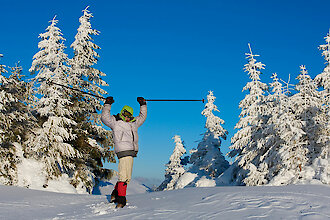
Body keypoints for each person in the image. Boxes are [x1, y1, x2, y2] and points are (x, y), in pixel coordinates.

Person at [101, 96, 147, 208]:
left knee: (127, 176)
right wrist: (107, 104)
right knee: (124, 176)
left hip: (131, 151)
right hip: (122, 150)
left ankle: (115, 194)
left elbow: (142, 117)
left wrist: (143, 105)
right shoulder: (115, 121)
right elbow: (104, 117)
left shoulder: (133, 122)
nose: (127, 117)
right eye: (125, 115)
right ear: (122, 113)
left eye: (129, 115)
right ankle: (121, 199)